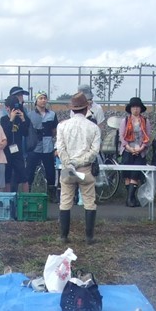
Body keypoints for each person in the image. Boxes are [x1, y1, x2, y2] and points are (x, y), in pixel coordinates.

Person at [54, 92, 101, 244]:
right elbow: (94, 152)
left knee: (65, 200)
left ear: (72, 109)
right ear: (86, 108)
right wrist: (80, 162)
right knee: (89, 201)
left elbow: (60, 149)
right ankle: (89, 237)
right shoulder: (94, 128)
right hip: (85, 168)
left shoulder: (62, 126)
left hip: (68, 168)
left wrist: (70, 163)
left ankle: (63, 236)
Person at [119, 97, 151, 207]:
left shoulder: (145, 121)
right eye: (133, 107)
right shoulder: (125, 121)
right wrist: (129, 148)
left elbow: (147, 136)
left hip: (140, 150)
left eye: (137, 107)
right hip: (128, 150)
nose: (136, 109)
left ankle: (130, 199)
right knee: (127, 175)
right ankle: (131, 199)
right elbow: (122, 137)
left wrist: (141, 148)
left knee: (135, 174)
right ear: (130, 109)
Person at [26, 92, 58, 201]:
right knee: (30, 170)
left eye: (45, 98)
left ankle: (51, 194)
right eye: (41, 98)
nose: (43, 100)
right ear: (36, 101)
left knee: (50, 170)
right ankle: (28, 191)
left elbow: (54, 130)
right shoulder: (30, 115)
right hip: (35, 146)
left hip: (48, 146)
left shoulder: (52, 115)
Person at [0, 95, 29, 193]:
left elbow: (26, 133)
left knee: (23, 176)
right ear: (7, 108)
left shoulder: (20, 119)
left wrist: (23, 119)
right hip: (7, 151)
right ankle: (8, 200)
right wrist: (11, 119)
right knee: (6, 176)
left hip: (18, 151)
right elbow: (5, 134)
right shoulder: (4, 119)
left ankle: (25, 199)